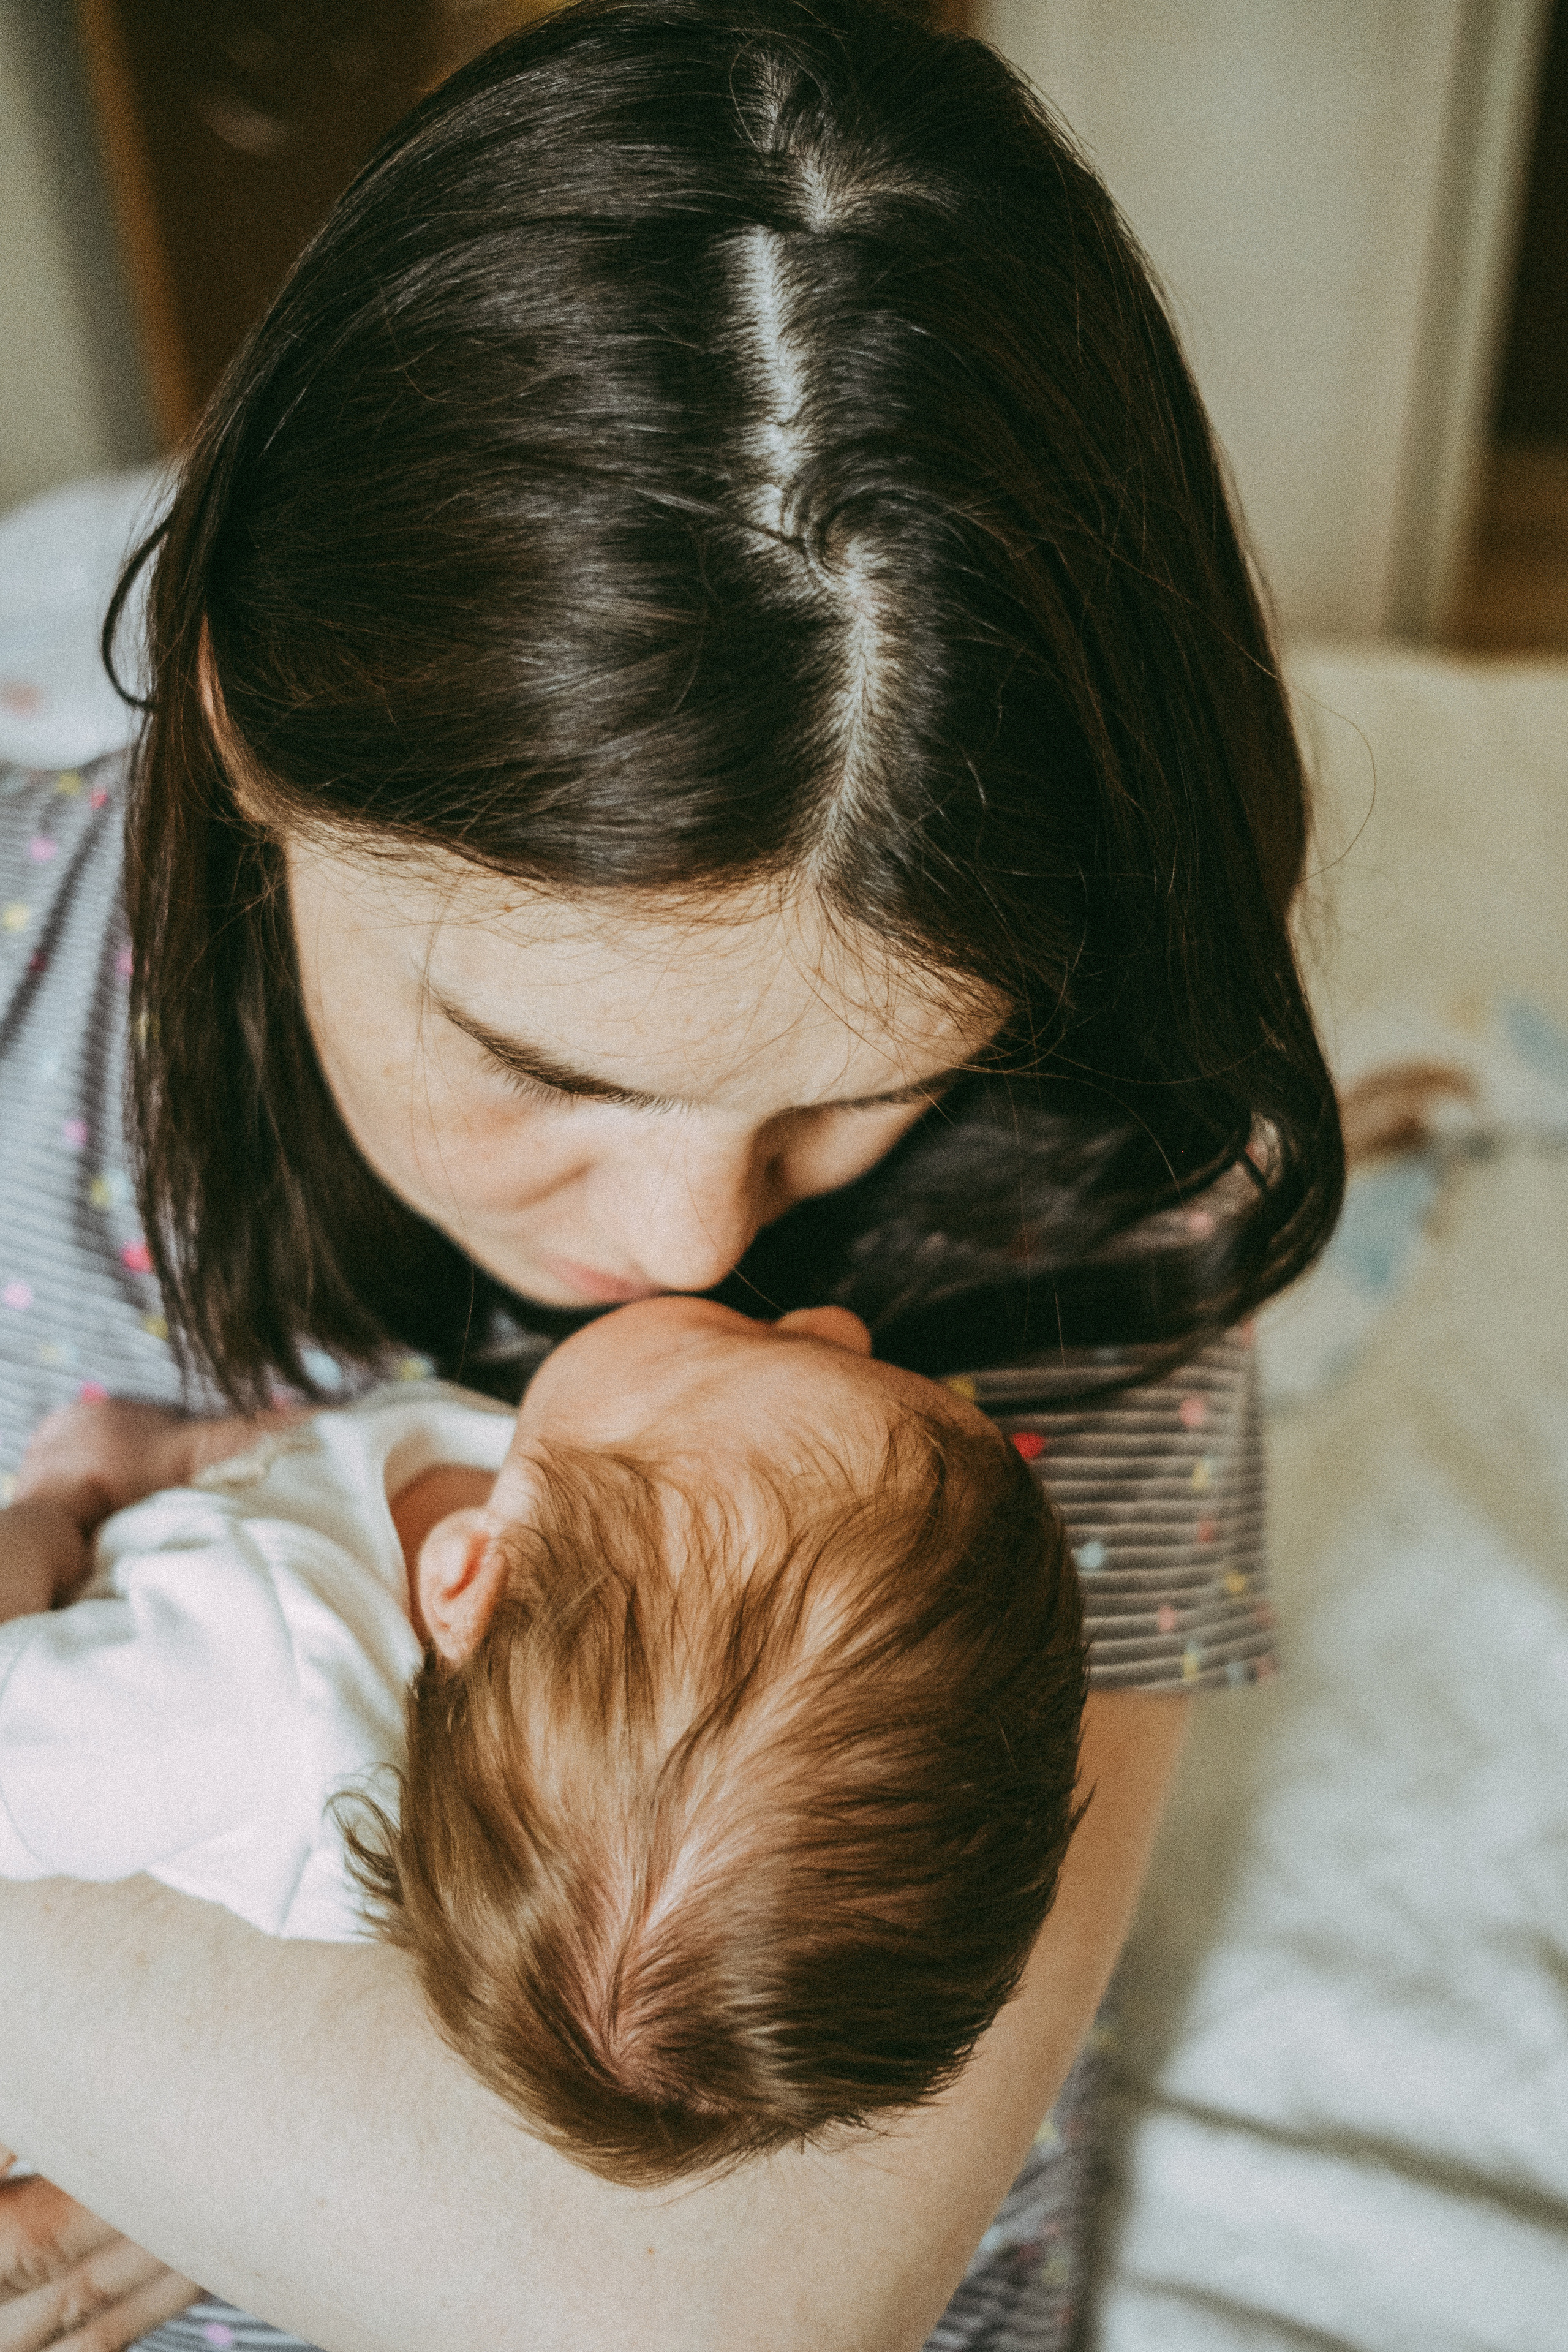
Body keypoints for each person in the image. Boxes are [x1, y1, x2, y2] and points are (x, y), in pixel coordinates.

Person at [0, 1, 1342, 2345]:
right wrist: (278, 2142)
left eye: (851, 1097)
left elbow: (706, 2316)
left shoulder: (1088, 1192)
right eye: (543, 1063)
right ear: (238, 722)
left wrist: (202, 2162)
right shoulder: (33, 985)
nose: (695, 1255)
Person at [0, 1300, 1083, 2188]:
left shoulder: (233, 1711)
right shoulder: (567, 1565)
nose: (838, 1319)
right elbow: (336, 1468)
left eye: (754, 1345)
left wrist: (60, 1505)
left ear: (469, 1578)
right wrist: (186, 1453)